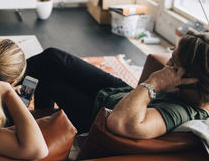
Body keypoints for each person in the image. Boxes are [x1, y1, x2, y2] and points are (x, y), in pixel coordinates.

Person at [25, 30, 209, 139]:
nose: (167, 65)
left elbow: (120, 122)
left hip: (98, 113)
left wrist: (155, 82)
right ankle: (0, 80)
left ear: (194, 79)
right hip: (121, 93)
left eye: (174, 64)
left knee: (49, 81)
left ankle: (35, 125)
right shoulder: (189, 92)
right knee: (52, 57)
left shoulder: (184, 111)